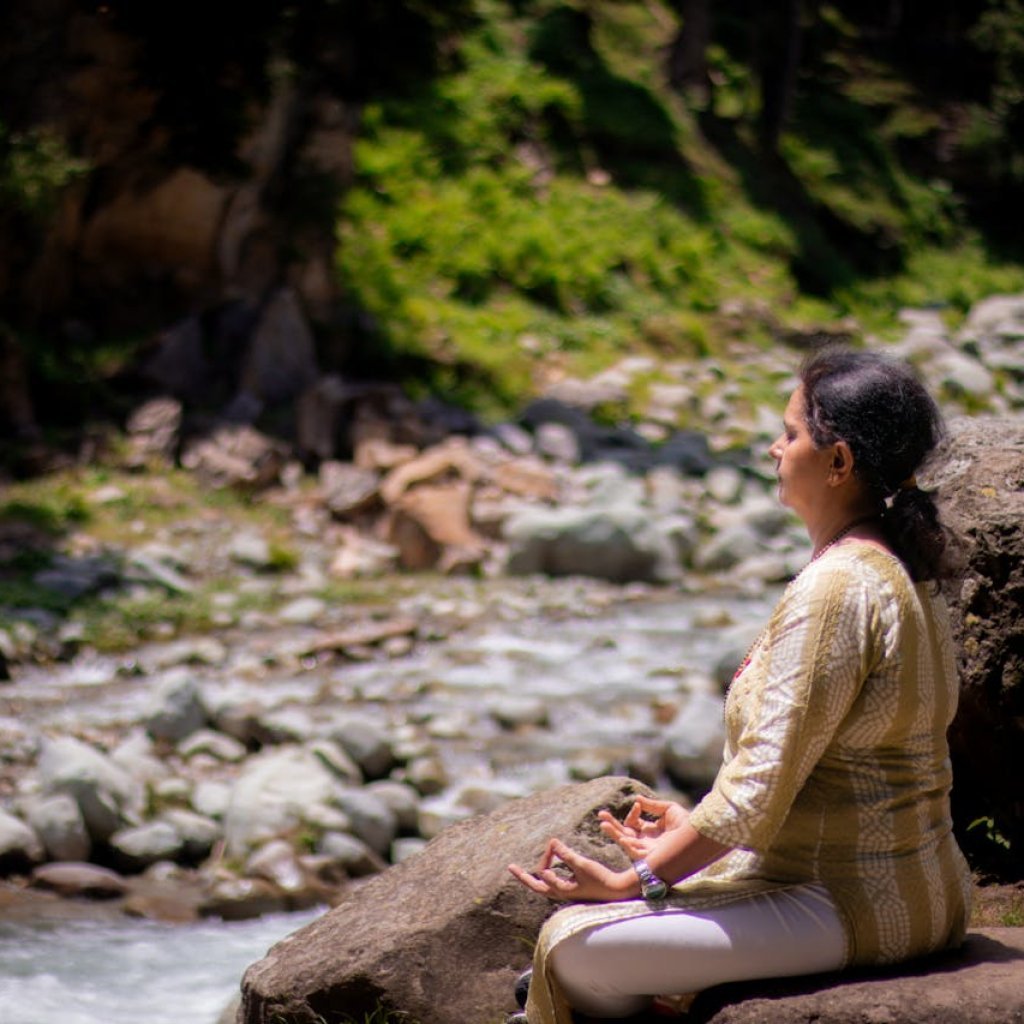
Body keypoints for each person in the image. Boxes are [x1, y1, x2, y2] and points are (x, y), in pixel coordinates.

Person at [507, 347, 973, 1024]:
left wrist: (632, 880)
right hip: (928, 890)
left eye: (790, 434)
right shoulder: (895, 565)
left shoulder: (836, 587)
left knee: (571, 946)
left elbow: (756, 791)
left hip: (852, 902)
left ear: (838, 462)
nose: (774, 449)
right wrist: (691, 830)